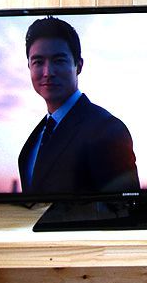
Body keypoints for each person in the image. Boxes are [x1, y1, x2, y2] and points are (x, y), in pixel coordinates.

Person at [17, 16, 139, 196]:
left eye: (59, 60)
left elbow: (127, 207)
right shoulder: (36, 138)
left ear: (79, 66)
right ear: (29, 66)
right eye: (38, 62)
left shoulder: (106, 129)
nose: (48, 72)